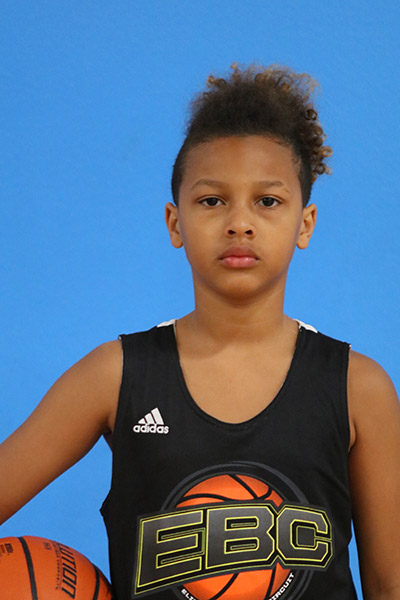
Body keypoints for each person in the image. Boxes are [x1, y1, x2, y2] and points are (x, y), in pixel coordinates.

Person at [0, 63, 399, 600]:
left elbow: (390, 583)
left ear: (304, 223)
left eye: (268, 201)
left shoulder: (358, 387)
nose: (239, 222)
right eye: (212, 200)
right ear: (175, 222)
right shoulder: (115, 376)